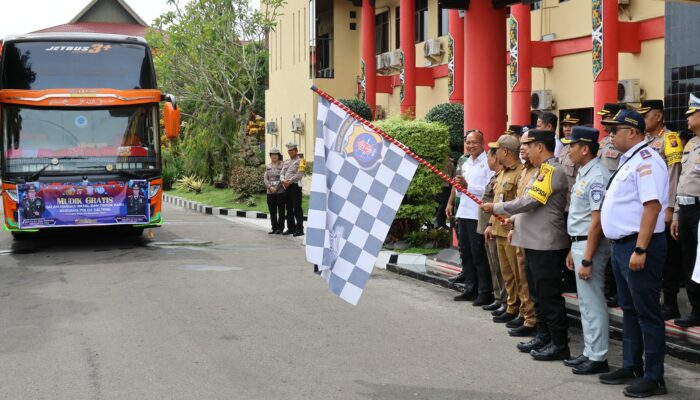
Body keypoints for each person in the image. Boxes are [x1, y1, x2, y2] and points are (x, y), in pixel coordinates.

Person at [483, 130, 570, 361]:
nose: (525, 151)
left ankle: (559, 343)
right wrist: (513, 220)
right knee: (537, 294)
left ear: (539, 147)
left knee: (549, 297)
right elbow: (532, 204)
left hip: (546, 243)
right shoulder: (540, 170)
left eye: (527, 146)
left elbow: (531, 201)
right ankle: (543, 336)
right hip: (534, 241)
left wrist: (498, 208)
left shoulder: (552, 170)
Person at [598, 109, 668, 397]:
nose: (611, 135)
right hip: (621, 246)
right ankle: (631, 365)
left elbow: (652, 207)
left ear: (634, 132)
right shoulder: (629, 161)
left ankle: (654, 377)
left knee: (647, 312)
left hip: (639, 246)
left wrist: (640, 248)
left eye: (616, 130)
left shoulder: (647, 161)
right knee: (628, 309)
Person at [561, 126, 611, 375]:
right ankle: (590, 352)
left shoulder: (597, 175)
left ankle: (599, 356)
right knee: (585, 303)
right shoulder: (584, 172)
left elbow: (597, 220)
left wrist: (588, 258)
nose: (569, 149)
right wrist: (574, 248)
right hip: (579, 242)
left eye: (572, 145)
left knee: (593, 302)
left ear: (585, 148)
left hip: (590, 245)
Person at [484, 134, 536, 337]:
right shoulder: (503, 173)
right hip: (498, 228)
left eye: (496, 149)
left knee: (519, 275)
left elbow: (519, 204)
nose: (495, 153)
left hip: (512, 230)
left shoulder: (521, 172)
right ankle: (512, 307)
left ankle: (526, 313)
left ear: (504, 152)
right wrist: (490, 223)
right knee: (507, 274)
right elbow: (498, 199)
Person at [637, 99, 684, 320]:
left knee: (668, 259)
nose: (643, 120)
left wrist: (671, 208)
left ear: (659, 116)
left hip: (663, 207)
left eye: (647, 116)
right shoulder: (644, 140)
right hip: (646, 209)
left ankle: (671, 302)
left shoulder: (670, 139)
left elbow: (674, 175)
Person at [446, 130, 494, 304]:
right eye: (468, 142)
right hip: (464, 212)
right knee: (466, 253)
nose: (471, 145)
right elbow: (459, 189)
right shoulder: (466, 163)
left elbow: (489, 191)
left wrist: (468, 186)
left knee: (479, 254)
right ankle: (469, 288)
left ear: (482, 143)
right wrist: (457, 192)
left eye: (474, 142)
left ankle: (484, 292)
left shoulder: (488, 163)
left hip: (478, 215)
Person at [670, 93, 700, 328]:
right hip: (687, 210)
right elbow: (682, 181)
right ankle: (695, 310)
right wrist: (678, 213)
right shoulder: (690, 143)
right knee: (689, 261)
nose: (687, 119)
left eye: (691, 114)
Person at [596, 103, 627, 308]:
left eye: (607, 117)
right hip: (602, 199)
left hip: (617, 201)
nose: (603, 121)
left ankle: (616, 292)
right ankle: (608, 289)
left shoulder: (622, 143)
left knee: (614, 250)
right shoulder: (604, 141)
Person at [476, 146, 507, 312]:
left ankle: (505, 301)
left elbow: (498, 205)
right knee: (493, 264)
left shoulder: (502, 177)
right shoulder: (496, 176)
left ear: (496, 158)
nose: (487, 160)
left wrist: (490, 224)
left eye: (488, 157)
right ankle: (498, 298)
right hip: (489, 227)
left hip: (496, 226)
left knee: (501, 267)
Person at [281, 142, 305, 237]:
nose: (290, 152)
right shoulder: (286, 161)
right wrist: (283, 180)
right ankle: (291, 228)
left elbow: (300, 174)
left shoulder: (301, 161)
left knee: (297, 208)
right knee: (289, 208)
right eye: (289, 150)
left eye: (292, 150)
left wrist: (289, 181)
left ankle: (300, 229)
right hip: (286, 187)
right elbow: (282, 172)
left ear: (296, 151)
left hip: (295, 186)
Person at [597, 103, 626, 174]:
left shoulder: (624, 141)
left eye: (604, 117)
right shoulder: (604, 140)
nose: (602, 120)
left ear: (615, 117)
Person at [264, 146, 286, 234]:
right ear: (270, 156)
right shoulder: (268, 166)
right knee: (272, 211)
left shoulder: (283, 165)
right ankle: (274, 228)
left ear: (278, 155)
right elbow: (265, 178)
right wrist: (270, 187)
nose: (274, 156)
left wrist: (276, 188)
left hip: (280, 191)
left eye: (276, 154)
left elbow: (283, 177)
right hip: (270, 192)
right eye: (272, 155)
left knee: (281, 211)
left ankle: (280, 228)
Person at [435, 154, 456, 229]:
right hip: (443, 185)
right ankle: (440, 223)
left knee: (445, 204)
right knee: (444, 204)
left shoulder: (448, 161)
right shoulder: (443, 160)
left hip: (448, 184)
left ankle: (441, 223)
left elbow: (453, 174)